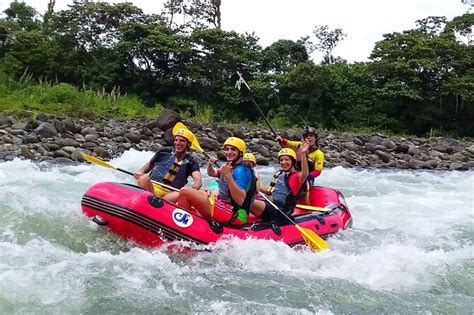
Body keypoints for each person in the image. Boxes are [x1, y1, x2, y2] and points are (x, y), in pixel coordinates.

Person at [177, 137, 256, 224]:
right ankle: (190, 223)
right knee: (201, 192)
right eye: (227, 149)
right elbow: (212, 173)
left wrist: (228, 175)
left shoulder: (241, 171)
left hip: (236, 214)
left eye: (233, 149)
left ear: (240, 153)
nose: (228, 152)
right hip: (226, 206)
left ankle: (182, 224)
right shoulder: (231, 166)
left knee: (185, 191)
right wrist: (210, 165)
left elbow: (240, 200)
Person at [133, 127, 202, 202]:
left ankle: (157, 203)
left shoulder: (191, 161)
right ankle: (154, 201)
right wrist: (141, 171)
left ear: (188, 144)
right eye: (176, 140)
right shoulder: (164, 151)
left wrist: (192, 190)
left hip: (170, 193)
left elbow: (198, 180)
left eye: (182, 141)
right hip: (152, 186)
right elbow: (150, 165)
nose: (178, 143)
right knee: (143, 178)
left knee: (179, 194)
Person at [251, 144, 309, 225]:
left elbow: (305, 174)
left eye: (287, 160)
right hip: (271, 204)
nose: (283, 162)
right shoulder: (280, 174)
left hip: (281, 211)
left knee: (248, 201)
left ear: (293, 161)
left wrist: (303, 154)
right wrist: (257, 187)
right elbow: (271, 191)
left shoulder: (296, 177)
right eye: (281, 160)